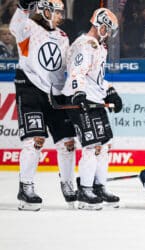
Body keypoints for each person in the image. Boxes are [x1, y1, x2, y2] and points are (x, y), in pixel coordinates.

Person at [10, 0, 77, 211]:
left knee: (68, 142)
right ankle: (26, 187)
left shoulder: (63, 36)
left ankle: (69, 185)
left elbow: (66, 66)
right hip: (30, 89)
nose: (61, 16)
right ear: (46, 11)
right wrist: (22, 7)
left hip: (55, 93)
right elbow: (15, 26)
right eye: (58, 12)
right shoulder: (29, 28)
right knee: (35, 140)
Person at [61, 7, 123, 210]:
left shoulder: (98, 46)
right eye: (109, 28)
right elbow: (77, 72)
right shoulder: (84, 44)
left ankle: (98, 186)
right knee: (91, 146)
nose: (110, 33)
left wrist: (110, 90)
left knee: (104, 144)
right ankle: (85, 190)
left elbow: (95, 78)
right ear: (101, 25)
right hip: (81, 101)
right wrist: (79, 94)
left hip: (94, 99)